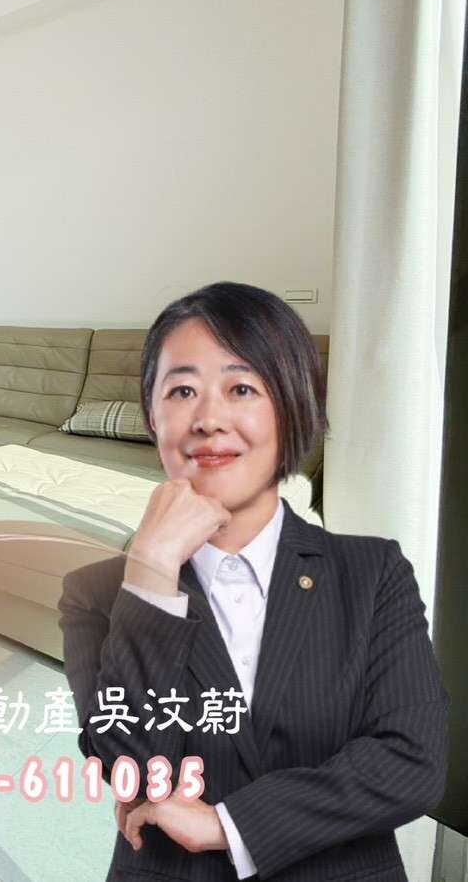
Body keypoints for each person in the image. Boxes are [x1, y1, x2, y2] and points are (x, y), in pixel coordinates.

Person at [58, 282, 447, 880]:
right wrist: (152, 569)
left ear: (291, 407)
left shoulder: (373, 573)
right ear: (153, 417)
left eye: (241, 389)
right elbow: (131, 770)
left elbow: (413, 763)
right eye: (182, 391)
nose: (209, 420)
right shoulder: (98, 593)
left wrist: (228, 825)